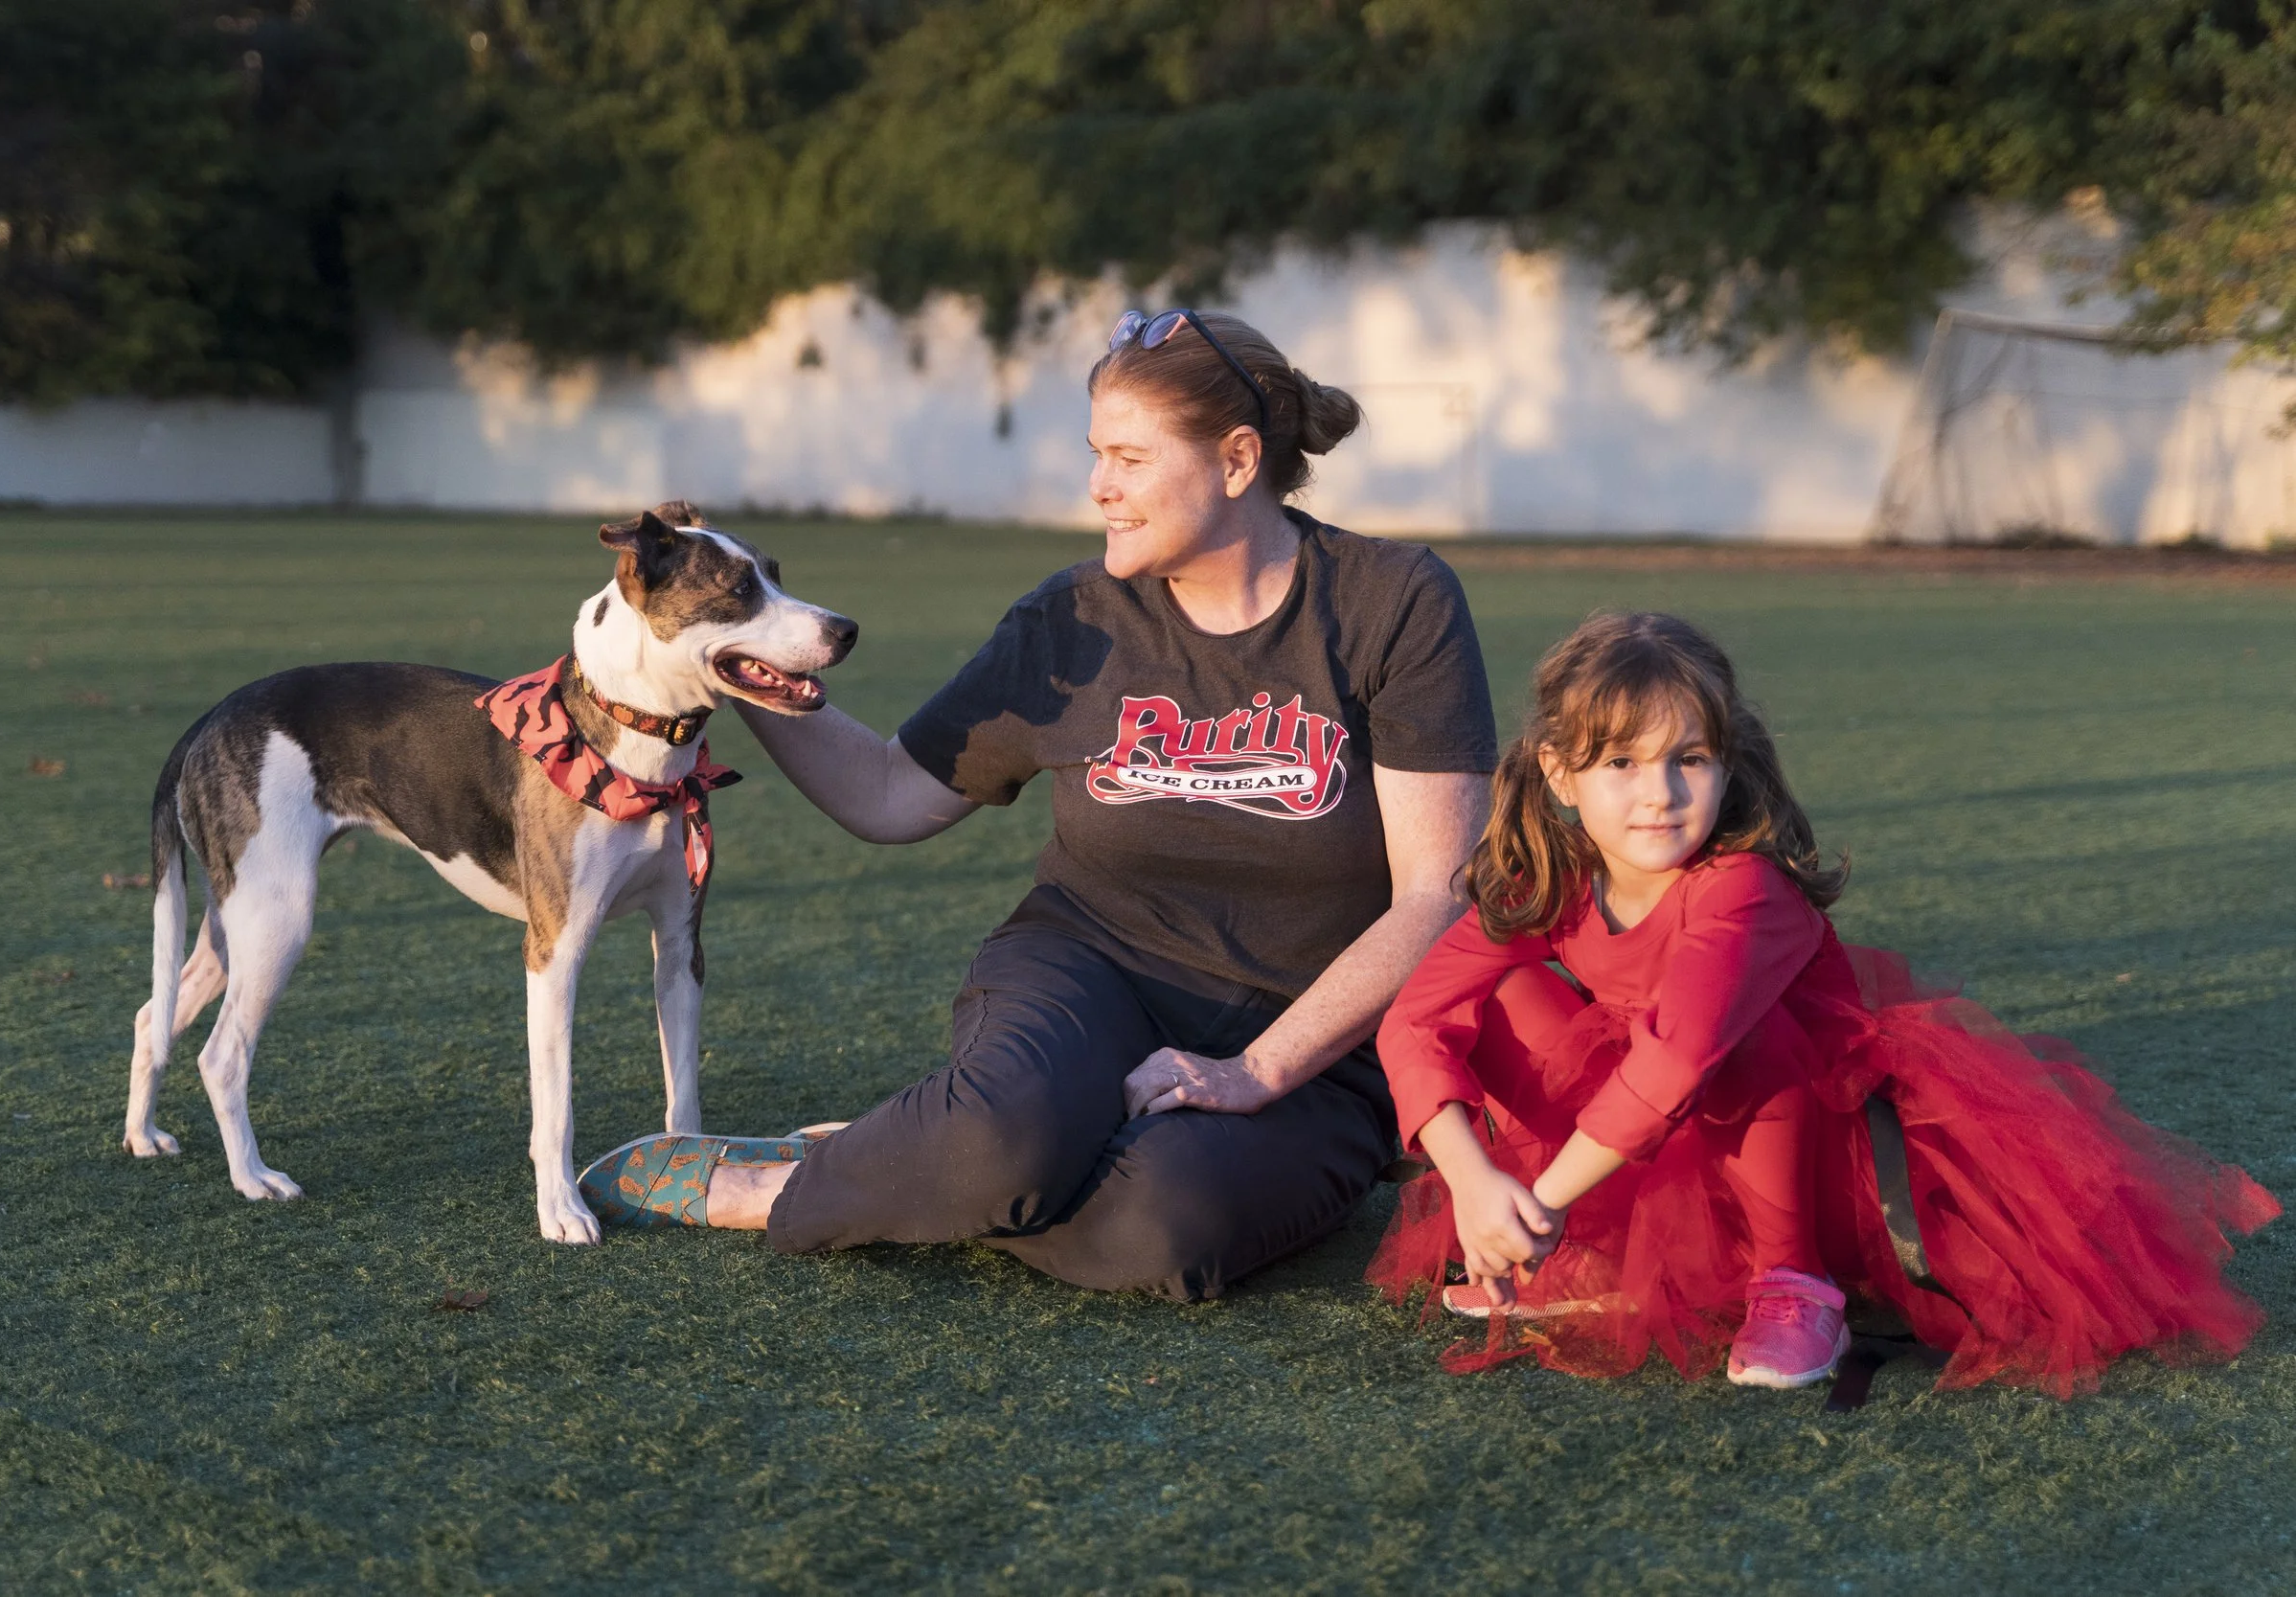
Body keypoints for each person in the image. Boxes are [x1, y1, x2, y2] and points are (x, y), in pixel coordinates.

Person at [577, 309, 1500, 1300]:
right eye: (1096, 453)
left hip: (1315, 1038)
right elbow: (891, 795)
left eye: (1129, 458)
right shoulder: (1074, 617)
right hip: (1093, 966)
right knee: (999, 1139)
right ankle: (775, 1180)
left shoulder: (1390, 602)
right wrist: (738, 664)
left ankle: (928, 1150)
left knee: (1162, 1228)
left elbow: (1433, 898)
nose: (1098, 485)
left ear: (1236, 460)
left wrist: (1258, 1070)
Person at [1368, 610, 2279, 1396]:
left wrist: (1543, 1200)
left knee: (1743, 1036)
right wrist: (1479, 1183)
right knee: (1497, 994)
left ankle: (1794, 1284)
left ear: (1728, 763)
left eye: (1690, 757)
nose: (1660, 792)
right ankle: (1600, 1253)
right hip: (1641, 1145)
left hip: (1819, 1150)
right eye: (1621, 761)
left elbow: (1678, 1061)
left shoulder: (1742, 888)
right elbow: (1414, 1018)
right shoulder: (1553, 876)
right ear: (1563, 775)